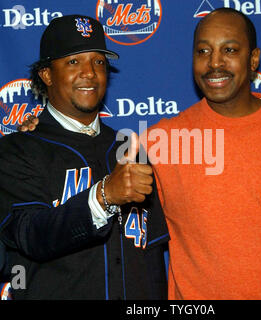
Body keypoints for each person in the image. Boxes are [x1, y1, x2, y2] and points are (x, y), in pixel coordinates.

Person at [18, 8, 261, 300]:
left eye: (229, 50)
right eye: (203, 51)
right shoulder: (157, 142)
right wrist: (42, 129)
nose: (215, 63)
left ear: (253, 59)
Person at [0, 15, 169, 300]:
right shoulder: (17, 151)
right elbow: (31, 236)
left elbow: (151, 256)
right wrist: (104, 196)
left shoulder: (128, 147)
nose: (90, 72)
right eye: (73, 61)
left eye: (98, 62)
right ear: (47, 75)